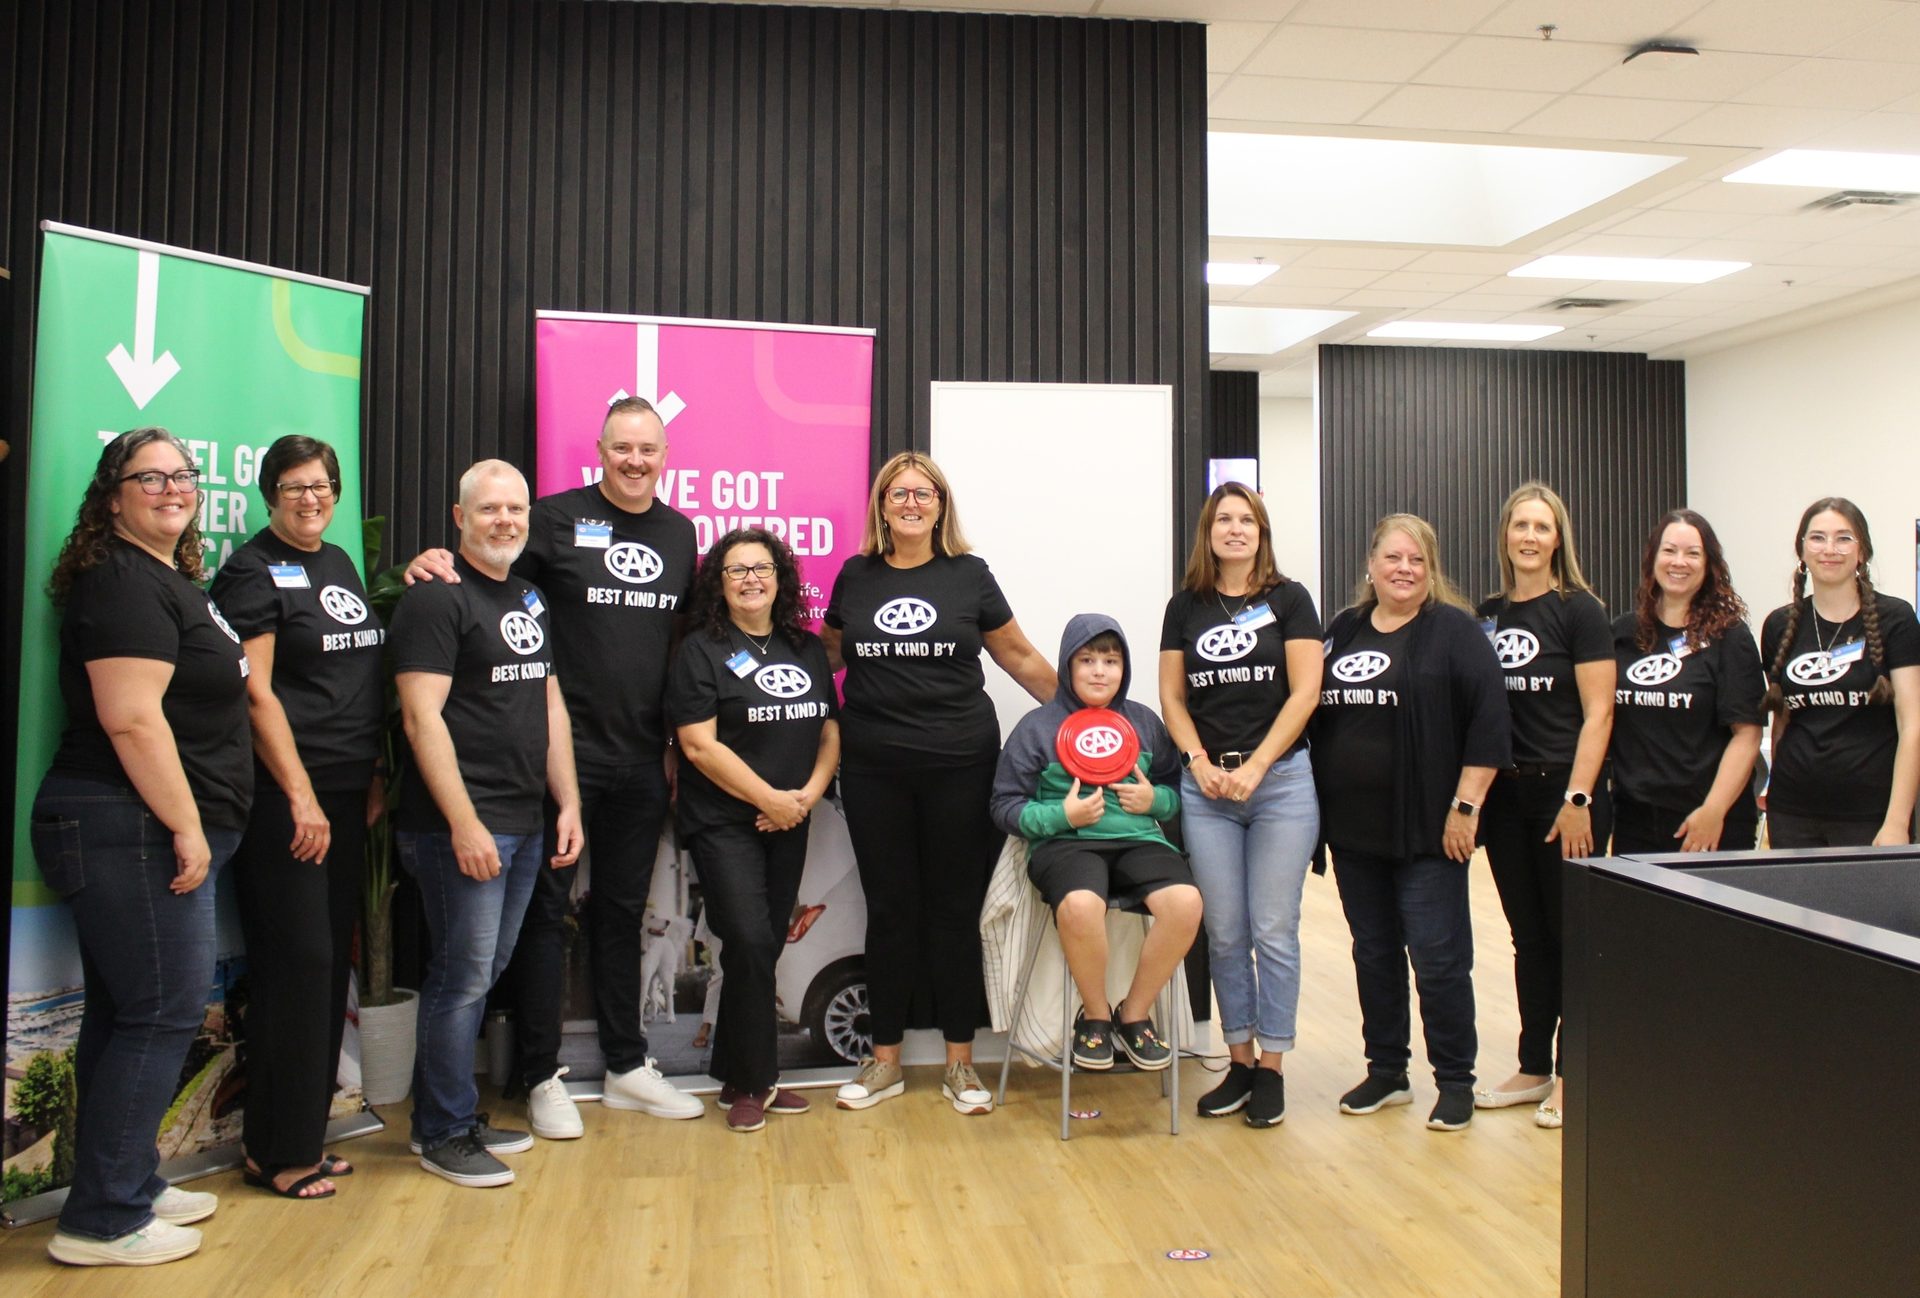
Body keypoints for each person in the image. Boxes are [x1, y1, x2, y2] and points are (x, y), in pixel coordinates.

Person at [405, 397, 703, 1136]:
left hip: (640, 757)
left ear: (664, 457)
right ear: (600, 450)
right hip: (554, 757)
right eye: (622, 448)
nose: (635, 461)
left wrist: (672, 742)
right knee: (541, 919)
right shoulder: (551, 518)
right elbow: (490, 579)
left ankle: (629, 1065)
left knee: (623, 913)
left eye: (649, 450)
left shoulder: (679, 532)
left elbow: (675, 642)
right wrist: (430, 558)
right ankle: (540, 1076)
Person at [30, 428, 251, 1265]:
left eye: (182, 474)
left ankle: (123, 1184)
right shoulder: (121, 581)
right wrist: (187, 823)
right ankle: (104, 1219)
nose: (171, 488)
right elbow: (130, 716)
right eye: (148, 476)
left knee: (127, 1013)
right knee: (163, 1010)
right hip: (129, 824)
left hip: (140, 826)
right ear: (112, 495)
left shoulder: (163, 579)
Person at [823, 453, 1054, 1115]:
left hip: (960, 765)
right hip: (872, 770)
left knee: (955, 912)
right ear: (882, 505)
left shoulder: (968, 576)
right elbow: (827, 652)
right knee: (889, 911)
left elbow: (1017, 654)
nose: (911, 503)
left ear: (940, 504)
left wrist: (1084, 717)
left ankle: (961, 1063)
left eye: (923, 493)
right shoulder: (855, 575)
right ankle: (885, 1060)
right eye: (899, 493)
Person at [390, 460, 584, 1187]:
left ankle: (452, 1116)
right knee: (462, 977)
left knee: (479, 974)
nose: (505, 520)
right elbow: (420, 717)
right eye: (490, 509)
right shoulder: (436, 600)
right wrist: (464, 824)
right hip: (461, 829)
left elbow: (550, 705)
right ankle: (441, 1131)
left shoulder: (529, 596)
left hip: (526, 819)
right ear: (459, 514)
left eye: (516, 508)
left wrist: (565, 801)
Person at [206, 436, 384, 1201]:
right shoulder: (250, 571)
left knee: (323, 969)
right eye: (294, 487)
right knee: (297, 966)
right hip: (287, 797)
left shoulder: (337, 562)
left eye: (322, 486)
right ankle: (277, 1151)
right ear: (268, 493)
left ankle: (298, 1136)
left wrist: (369, 775)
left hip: (345, 793)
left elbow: (355, 674)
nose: (310, 499)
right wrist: (303, 795)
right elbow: (256, 695)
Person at [1316, 515, 1508, 1133]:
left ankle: (1455, 1080)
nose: (1404, 569)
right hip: (1354, 830)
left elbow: (1489, 722)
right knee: (1373, 952)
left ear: (1431, 572)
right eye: (1393, 558)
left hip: (1430, 828)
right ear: (1370, 566)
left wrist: (1466, 806)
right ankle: (1387, 1070)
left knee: (1438, 957)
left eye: (1417, 561)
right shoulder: (1342, 630)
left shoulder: (1453, 631)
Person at [1158, 482, 1321, 1127]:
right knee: (1224, 933)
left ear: (1261, 530)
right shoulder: (1185, 606)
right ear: (1209, 530)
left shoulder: (1290, 600)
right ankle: (1240, 1061)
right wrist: (1199, 765)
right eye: (1223, 518)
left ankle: (1274, 1067)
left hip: (1279, 785)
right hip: (1208, 792)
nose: (1234, 528)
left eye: (1245, 518)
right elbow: (1173, 698)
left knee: (1273, 930)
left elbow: (1306, 691)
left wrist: (1256, 766)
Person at [669, 528, 841, 1132]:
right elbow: (697, 745)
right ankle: (755, 1080)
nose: (750, 579)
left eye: (761, 568)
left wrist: (807, 797)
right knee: (744, 938)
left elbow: (828, 730)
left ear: (780, 578)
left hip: (790, 818)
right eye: (736, 569)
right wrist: (769, 797)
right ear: (719, 582)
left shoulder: (805, 646)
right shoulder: (701, 650)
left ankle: (744, 1076)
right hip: (725, 821)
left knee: (764, 944)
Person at [989, 614, 1202, 1073]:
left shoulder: (1144, 722)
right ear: (1068, 666)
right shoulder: (1037, 727)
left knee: (1186, 903)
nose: (1100, 671)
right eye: (1087, 660)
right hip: (1066, 845)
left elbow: (1176, 793)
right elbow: (1004, 805)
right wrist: (1061, 815)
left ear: (1124, 668)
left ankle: (1134, 1014)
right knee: (1082, 906)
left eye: (1111, 660)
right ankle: (1096, 1016)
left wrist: (1154, 801)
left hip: (1138, 841)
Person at [1473, 482, 1613, 1130]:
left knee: (1570, 938)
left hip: (1565, 797)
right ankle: (1532, 1066)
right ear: (1505, 536)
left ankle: (1575, 1074)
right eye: (1520, 525)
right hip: (1505, 796)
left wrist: (1579, 798)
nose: (1530, 536)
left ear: (1559, 539)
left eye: (1542, 526)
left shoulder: (1579, 609)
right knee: (1527, 938)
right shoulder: (1488, 613)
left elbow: (1599, 711)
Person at [1760, 497, 1920, 847]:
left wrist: (1897, 821)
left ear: (1862, 552)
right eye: (1817, 537)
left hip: (1870, 816)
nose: (1829, 549)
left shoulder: (1897, 619)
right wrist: (1772, 799)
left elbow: (1913, 726)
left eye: (1843, 538)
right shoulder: (1779, 625)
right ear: (1801, 550)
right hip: (1792, 813)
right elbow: (1783, 723)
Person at [1609, 510, 1764, 855]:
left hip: (1707, 822)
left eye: (1693, 553)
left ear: (1709, 564)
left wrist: (1714, 811)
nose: (1679, 562)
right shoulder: (1622, 633)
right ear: (1652, 558)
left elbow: (1748, 734)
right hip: (1634, 819)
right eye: (1669, 550)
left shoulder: (1730, 637)